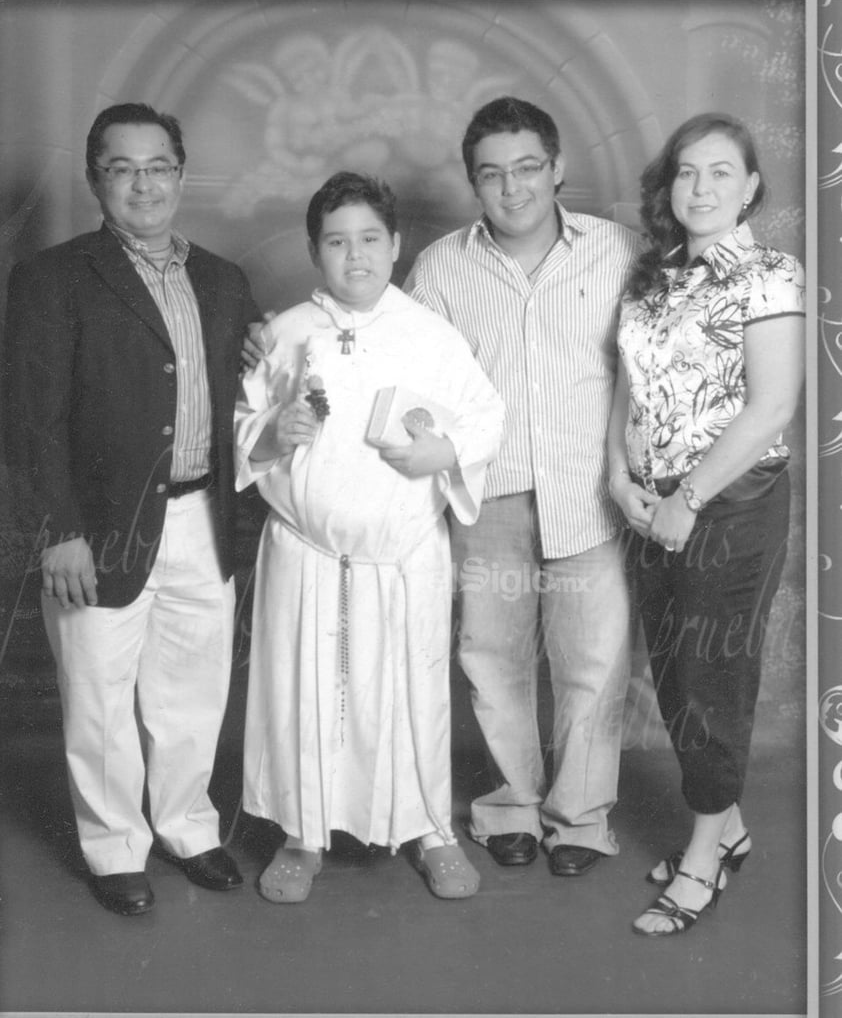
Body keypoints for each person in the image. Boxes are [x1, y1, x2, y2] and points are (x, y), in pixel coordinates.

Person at [2, 103, 261, 916]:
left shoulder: (222, 280)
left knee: (192, 693)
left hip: (201, 517)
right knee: (99, 695)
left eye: (158, 166)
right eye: (122, 168)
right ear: (94, 181)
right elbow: (29, 418)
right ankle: (115, 848)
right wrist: (59, 532)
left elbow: (245, 401)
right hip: (95, 526)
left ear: (181, 175)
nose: (143, 183)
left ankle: (188, 827)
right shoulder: (51, 277)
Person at [234, 171, 504, 903]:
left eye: (369, 240)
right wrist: (268, 436)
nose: (355, 257)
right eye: (337, 242)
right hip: (307, 552)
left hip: (400, 556)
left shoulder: (429, 333)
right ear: (314, 250)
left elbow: (485, 416)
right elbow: (242, 429)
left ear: (396, 245)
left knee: (410, 692)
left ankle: (429, 830)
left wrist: (438, 454)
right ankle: (301, 834)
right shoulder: (287, 332)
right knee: (304, 694)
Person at [402, 96, 642, 876]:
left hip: (592, 494)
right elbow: (407, 386)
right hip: (488, 496)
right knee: (492, 656)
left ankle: (579, 820)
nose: (513, 189)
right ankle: (509, 807)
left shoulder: (620, 253)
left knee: (593, 664)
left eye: (528, 168)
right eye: (492, 175)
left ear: (558, 167)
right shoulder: (440, 268)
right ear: (474, 183)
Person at [606, 112, 804, 936]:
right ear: (669, 186)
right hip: (652, 503)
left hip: (730, 502)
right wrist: (619, 480)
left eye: (721, 172)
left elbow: (772, 407)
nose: (702, 187)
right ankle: (729, 826)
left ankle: (703, 855)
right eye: (688, 172)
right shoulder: (654, 280)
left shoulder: (770, 274)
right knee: (675, 676)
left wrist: (688, 501)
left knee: (711, 678)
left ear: (751, 186)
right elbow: (629, 386)